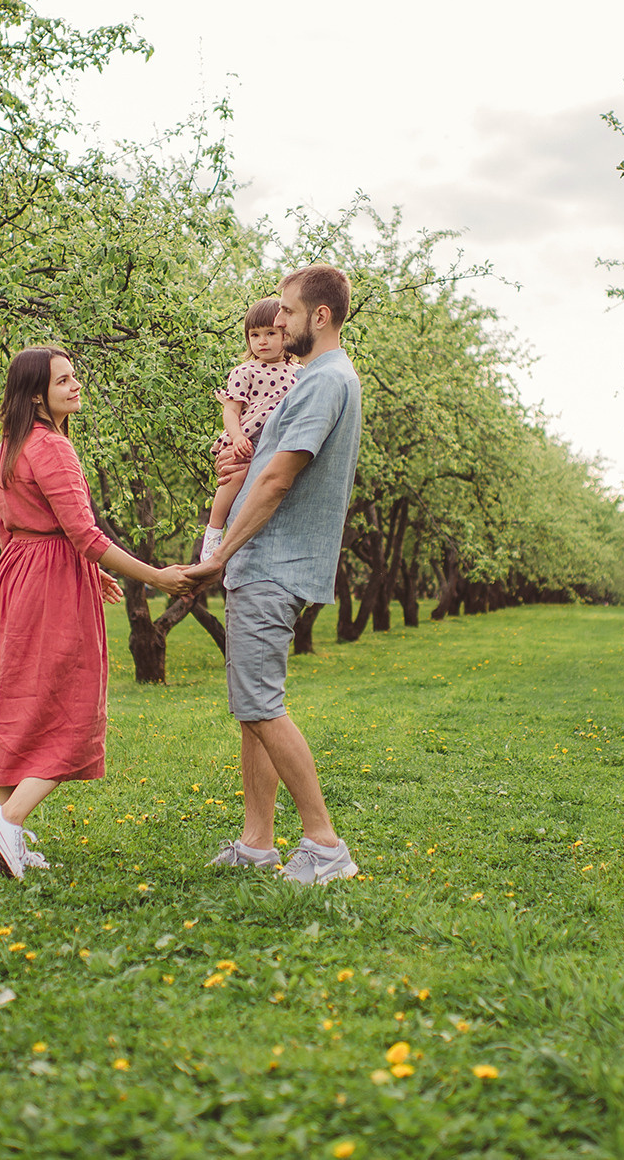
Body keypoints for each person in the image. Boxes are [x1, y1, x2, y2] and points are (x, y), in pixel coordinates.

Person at [0, 347, 193, 880]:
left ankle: (6, 839)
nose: (76, 386)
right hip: (51, 582)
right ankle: (7, 818)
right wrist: (156, 576)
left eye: (75, 377)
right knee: (72, 711)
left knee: (18, 704)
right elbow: (85, 533)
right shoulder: (51, 447)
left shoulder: (9, 446)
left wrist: (85, 567)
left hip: (16, 575)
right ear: (37, 394)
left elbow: (10, 525)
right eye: (64, 380)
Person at [185, 263, 363, 885]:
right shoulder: (317, 380)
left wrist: (218, 555)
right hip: (269, 562)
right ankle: (257, 842)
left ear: (319, 316)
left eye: (285, 312)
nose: (276, 321)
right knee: (252, 707)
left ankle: (324, 843)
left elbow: (279, 478)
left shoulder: (320, 382)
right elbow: (264, 461)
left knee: (261, 704)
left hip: (272, 562)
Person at [201, 297, 300, 562]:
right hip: (247, 436)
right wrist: (237, 437)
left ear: (285, 334)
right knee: (235, 475)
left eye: (270, 333)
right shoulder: (245, 371)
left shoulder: (299, 372)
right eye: (254, 335)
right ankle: (213, 530)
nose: (262, 341)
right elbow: (231, 410)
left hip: (277, 441)